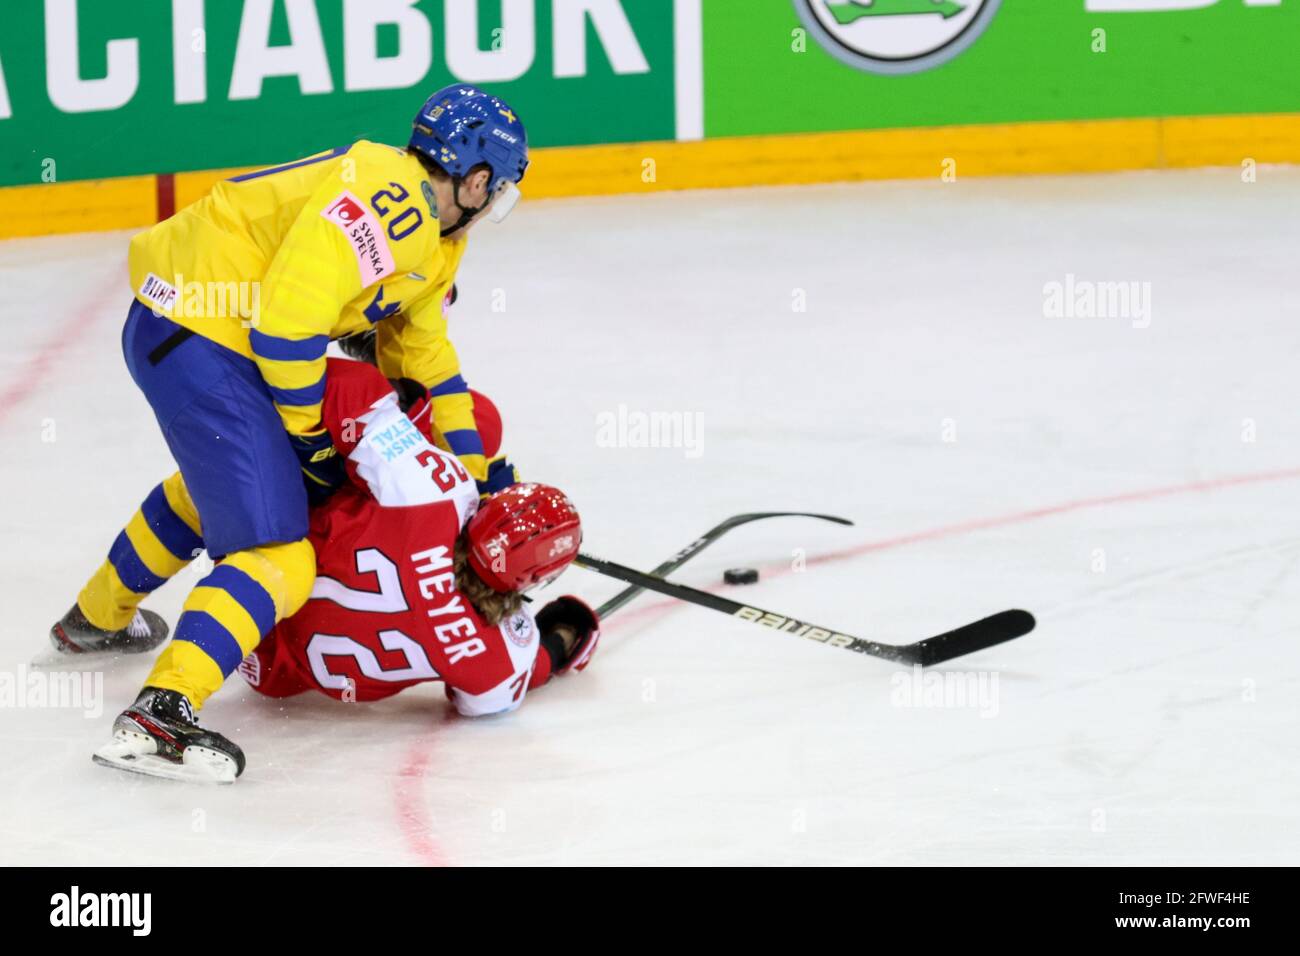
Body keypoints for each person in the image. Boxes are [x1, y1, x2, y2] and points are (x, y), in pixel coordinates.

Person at [48, 84, 528, 755]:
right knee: (276, 548)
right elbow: (283, 330)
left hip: (200, 326)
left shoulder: (428, 230)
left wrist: (480, 479)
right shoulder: (395, 210)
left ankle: (95, 618)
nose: (493, 206)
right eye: (498, 192)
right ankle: (162, 712)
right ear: (476, 181)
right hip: (203, 333)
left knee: (220, 493)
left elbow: (427, 363)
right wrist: (310, 438)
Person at [92, 359, 599, 783]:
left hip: (262, 566)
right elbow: (507, 686)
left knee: (203, 496)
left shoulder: (438, 492)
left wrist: (396, 404)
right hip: (269, 668)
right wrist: (563, 635)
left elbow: (349, 396)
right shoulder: (496, 657)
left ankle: (98, 616)